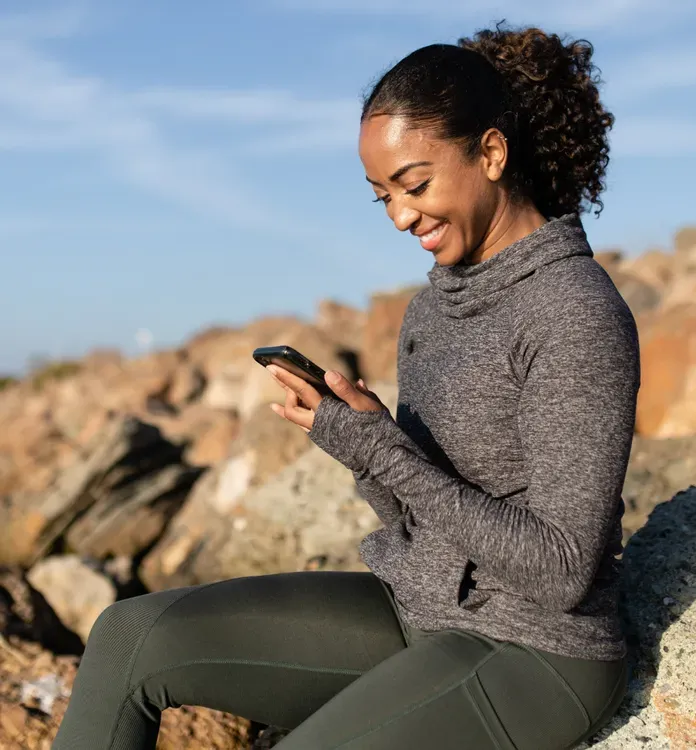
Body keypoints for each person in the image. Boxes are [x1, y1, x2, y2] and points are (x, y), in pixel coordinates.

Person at [53, 21, 639, 750]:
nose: (399, 216)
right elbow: (416, 518)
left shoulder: (574, 312)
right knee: (128, 635)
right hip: (414, 612)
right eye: (381, 196)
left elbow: (560, 569)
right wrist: (359, 444)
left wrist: (385, 452)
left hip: (532, 653)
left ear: (491, 152)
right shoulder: (435, 307)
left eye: (415, 184)